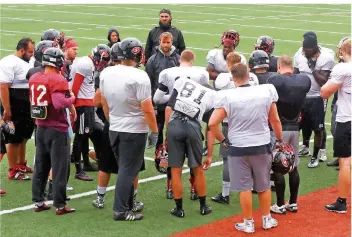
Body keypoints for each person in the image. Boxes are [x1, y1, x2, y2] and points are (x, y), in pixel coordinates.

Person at [209, 63, 282, 233]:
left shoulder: (227, 96)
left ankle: (248, 223)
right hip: (261, 144)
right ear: (249, 75)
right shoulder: (265, 91)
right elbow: (275, 120)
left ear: (233, 79)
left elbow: (212, 123)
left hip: (238, 147)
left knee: (244, 187)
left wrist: (223, 140)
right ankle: (266, 219)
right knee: (263, 185)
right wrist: (279, 139)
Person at [100, 38, 158, 221]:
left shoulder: (106, 72)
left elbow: (103, 100)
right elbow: (147, 108)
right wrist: (154, 131)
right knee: (128, 170)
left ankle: (129, 203)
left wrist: (112, 120)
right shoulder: (140, 76)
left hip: (115, 127)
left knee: (126, 168)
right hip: (133, 130)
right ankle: (121, 209)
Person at [92, 42, 144, 212]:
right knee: (131, 167)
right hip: (131, 127)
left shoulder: (106, 74)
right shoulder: (135, 75)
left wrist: (110, 118)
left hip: (112, 125)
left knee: (106, 164)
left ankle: (100, 198)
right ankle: (131, 201)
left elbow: (98, 101)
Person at [153, 49, 210, 200]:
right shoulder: (201, 74)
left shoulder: (167, 73)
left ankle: (170, 188)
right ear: (193, 60)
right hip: (194, 121)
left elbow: (157, 99)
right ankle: (193, 189)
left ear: (180, 59)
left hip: (173, 119)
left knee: (173, 160)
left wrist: (173, 98)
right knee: (195, 160)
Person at [29, 47, 76, 215]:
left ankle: (38, 201)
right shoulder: (58, 79)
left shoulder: (34, 77)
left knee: (41, 165)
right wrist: (72, 99)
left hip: (41, 126)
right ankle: (60, 204)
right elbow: (58, 103)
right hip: (57, 128)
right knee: (60, 167)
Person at [211, 52, 258, 205]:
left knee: (227, 159)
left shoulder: (223, 78)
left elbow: (217, 96)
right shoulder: (252, 77)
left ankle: (225, 194)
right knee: (250, 156)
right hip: (249, 120)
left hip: (228, 122)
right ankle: (249, 188)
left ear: (228, 64)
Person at [165, 75, 215, 218]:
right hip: (193, 127)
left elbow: (169, 109)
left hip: (175, 125)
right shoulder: (213, 95)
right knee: (197, 169)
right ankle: (203, 206)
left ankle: (179, 209)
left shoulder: (182, 82)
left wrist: (167, 135)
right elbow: (211, 126)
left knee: (175, 170)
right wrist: (210, 154)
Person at [267, 55, 311, 214]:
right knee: (293, 166)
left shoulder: (275, 81)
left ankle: (279, 205)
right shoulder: (304, 80)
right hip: (295, 128)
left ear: (279, 66)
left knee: (277, 166)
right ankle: (293, 202)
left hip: (280, 129)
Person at [69, 44, 111, 181]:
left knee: (85, 135)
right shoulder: (85, 64)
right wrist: (72, 106)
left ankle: (85, 164)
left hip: (87, 103)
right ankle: (78, 169)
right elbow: (75, 86)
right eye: (103, 61)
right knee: (80, 137)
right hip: (81, 104)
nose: (102, 64)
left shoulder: (88, 63)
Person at [294, 35, 335, 168]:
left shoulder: (326, 58)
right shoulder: (299, 54)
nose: (305, 52)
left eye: (308, 50)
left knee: (318, 127)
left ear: (315, 48)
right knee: (301, 124)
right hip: (302, 97)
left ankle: (316, 155)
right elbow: (295, 73)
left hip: (318, 97)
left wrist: (312, 68)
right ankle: (305, 147)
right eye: (304, 49)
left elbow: (323, 81)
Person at [321, 39, 351, 214]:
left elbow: (325, 92)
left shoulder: (343, 69)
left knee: (345, 163)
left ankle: (342, 202)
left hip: (346, 120)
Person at [0, 38, 35, 181]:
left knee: (25, 135)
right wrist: (7, 109)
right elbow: (3, 87)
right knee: (13, 138)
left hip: (26, 103)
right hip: (14, 103)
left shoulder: (29, 61)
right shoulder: (8, 62)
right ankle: (12, 169)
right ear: (22, 50)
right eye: (30, 51)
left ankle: (21, 163)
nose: (32, 54)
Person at [145, 32, 180, 168]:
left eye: (168, 42)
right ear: (159, 42)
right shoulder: (152, 60)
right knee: (158, 130)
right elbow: (148, 82)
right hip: (158, 102)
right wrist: (152, 104)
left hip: (174, 103)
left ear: (172, 42)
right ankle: (158, 156)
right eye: (164, 42)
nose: (166, 45)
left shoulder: (178, 59)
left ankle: (173, 154)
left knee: (173, 130)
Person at [326, 36, 350, 169]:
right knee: (335, 129)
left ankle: (345, 159)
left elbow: (325, 92)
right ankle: (341, 157)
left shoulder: (344, 68)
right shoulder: (341, 65)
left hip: (346, 107)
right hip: (339, 101)